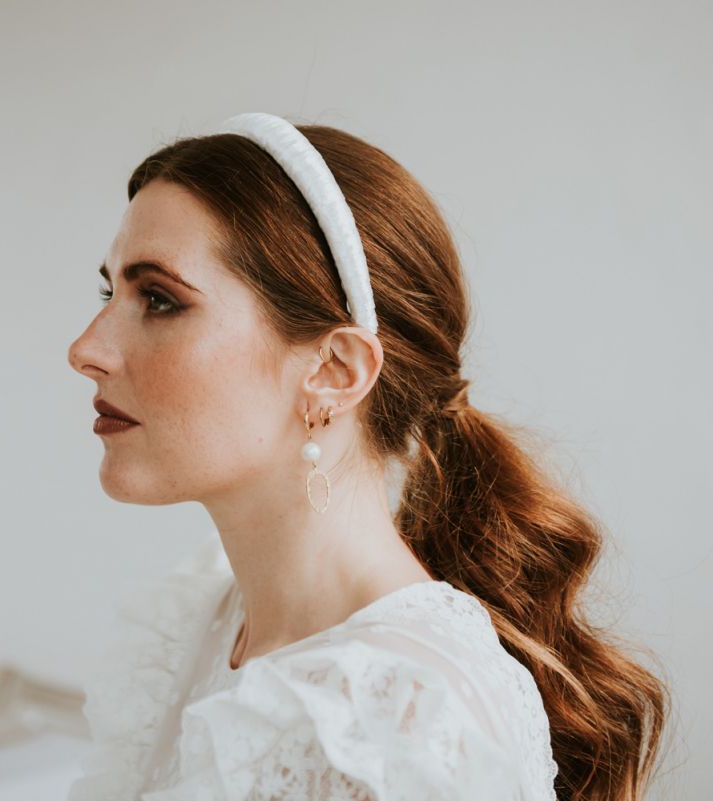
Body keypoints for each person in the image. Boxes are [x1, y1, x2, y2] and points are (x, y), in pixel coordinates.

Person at [66, 113, 668, 801]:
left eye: (160, 299)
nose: (86, 349)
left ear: (334, 370)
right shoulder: (197, 623)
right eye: (110, 292)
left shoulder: (405, 722)